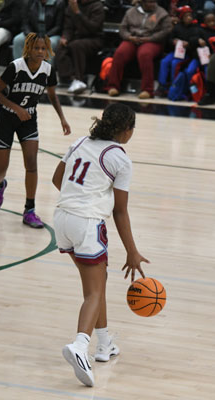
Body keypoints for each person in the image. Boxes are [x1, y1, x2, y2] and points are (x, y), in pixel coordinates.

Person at [52, 103, 148, 387]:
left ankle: (104, 344)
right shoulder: (120, 158)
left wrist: (79, 196)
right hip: (86, 224)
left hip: (62, 219)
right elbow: (120, 211)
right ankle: (80, 346)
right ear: (127, 130)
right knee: (94, 292)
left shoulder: (80, 142)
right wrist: (132, 251)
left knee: (97, 283)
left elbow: (57, 179)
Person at [0, 33, 71, 228]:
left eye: (43, 48)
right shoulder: (16, 67)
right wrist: (16, 108)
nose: (40, 52)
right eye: (36, 48)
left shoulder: (48, 70)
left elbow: (52, 95)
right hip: (6, 118)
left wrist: (62, 118)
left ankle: (29, 210)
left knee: (32, 163)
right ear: (28, 49)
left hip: (29, 119)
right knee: (0, 168)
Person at [106, 0, 172, 99]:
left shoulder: (162, 13)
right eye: (150, 2)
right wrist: (129, 37)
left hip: (152, 40)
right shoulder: (131, 12)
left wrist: (150, 38)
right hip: (133, 39)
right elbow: (122, 28)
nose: (153, 4)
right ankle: (113, 86)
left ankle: (147, 89)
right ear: (143, 3)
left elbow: (166, 30)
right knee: (120, 53)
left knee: (145, 54)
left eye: (154, 2)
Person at [55, 0, 105, 94]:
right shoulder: (72, 6)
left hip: (94, 38)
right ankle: (69, 78)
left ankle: (79, 79)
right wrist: (65, 37)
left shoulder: (97, 6)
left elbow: (93, 28)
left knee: (76, 45)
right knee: (61, 46)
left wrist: (78, 12)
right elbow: (68, 28)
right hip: (77, 38)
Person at [155, 5, 202, 98]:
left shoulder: (196, 28)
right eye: (186, 16)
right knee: (164, 61)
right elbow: (170, 39)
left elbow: (197, 40)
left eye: (190, 15)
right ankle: (162, 86)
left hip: (188, 54)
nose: (189, 18)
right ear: (182, 18)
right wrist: (173, 41)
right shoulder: (177, 27)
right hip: (176, 52)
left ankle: (175, 87)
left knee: (175, 63)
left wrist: (188, 43)